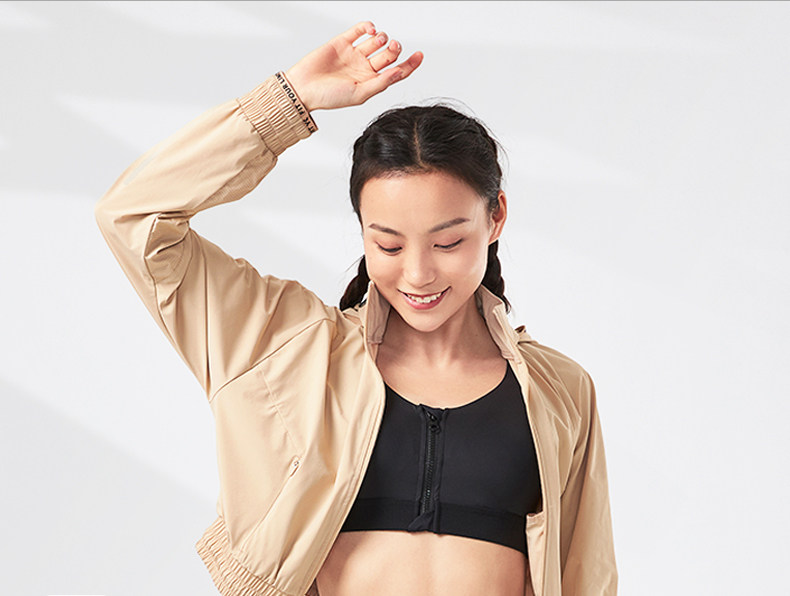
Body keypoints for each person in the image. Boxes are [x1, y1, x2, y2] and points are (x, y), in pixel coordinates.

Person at [94, 21, 617, 596]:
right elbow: (134, 218)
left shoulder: (559, 390)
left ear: (496, 218)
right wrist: (286, 102)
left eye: (448, 242)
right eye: (388, 245)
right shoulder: (283, 346)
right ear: (362, 231)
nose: (417, 274)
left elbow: (585, 578)